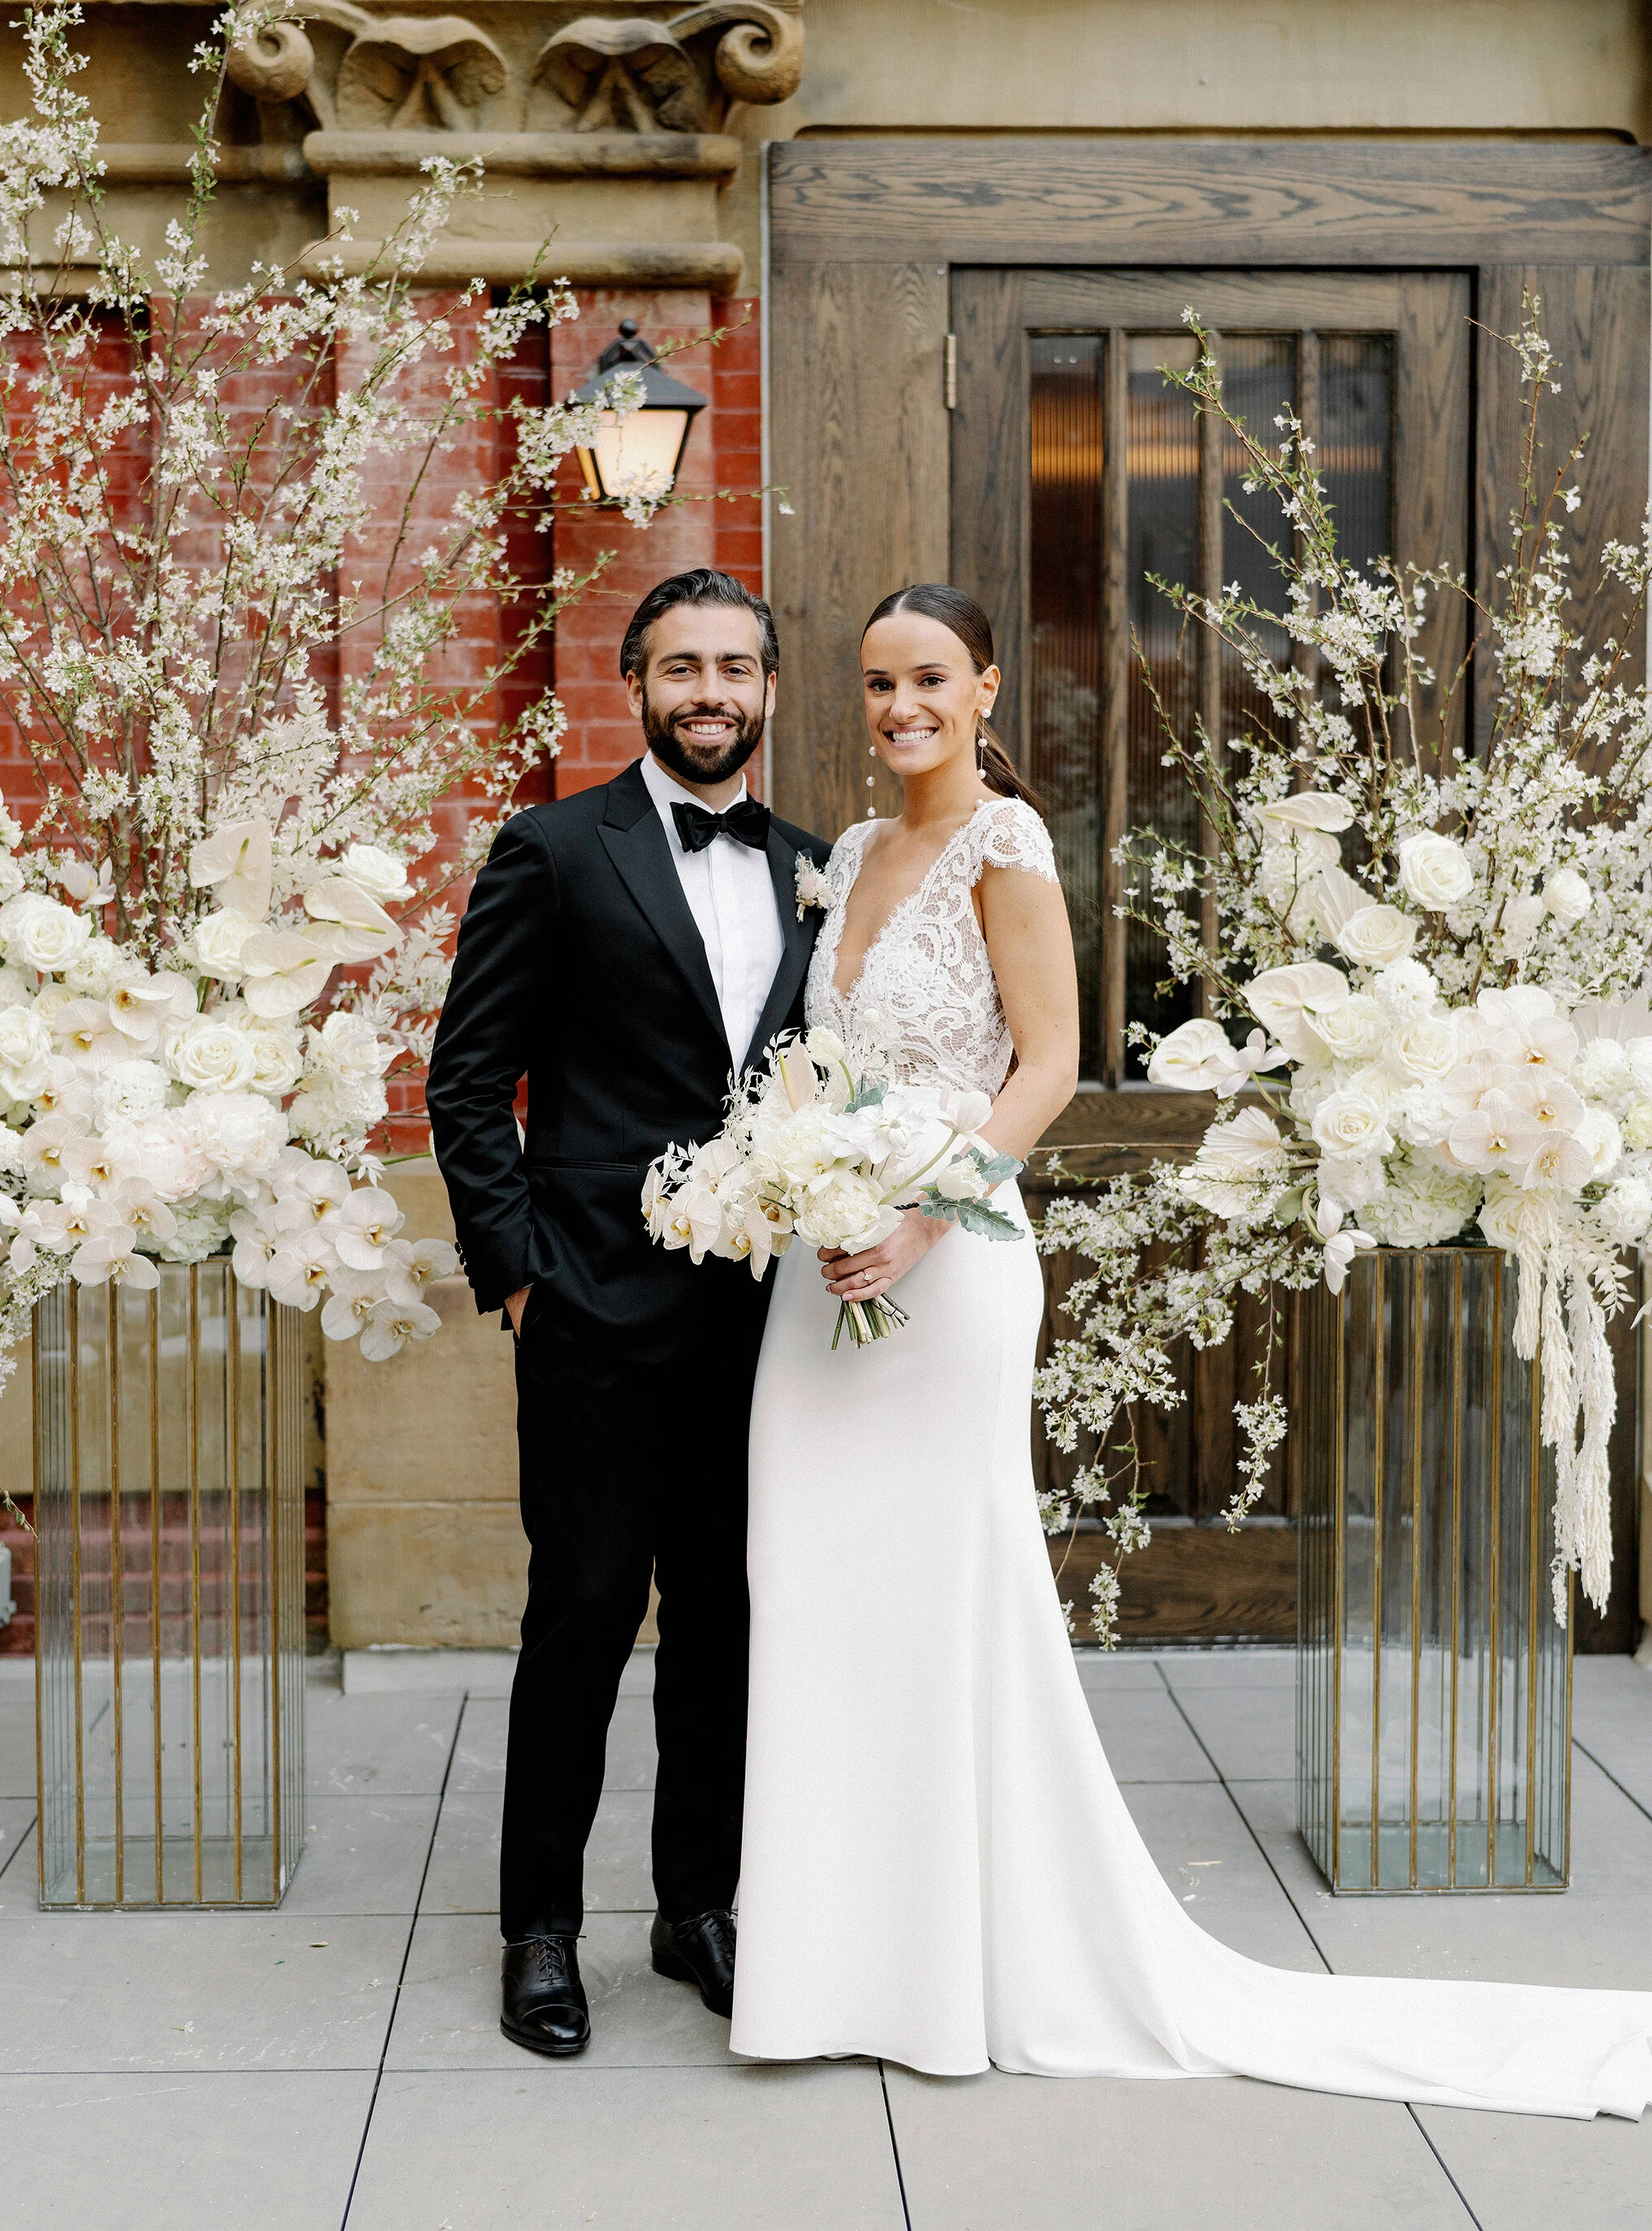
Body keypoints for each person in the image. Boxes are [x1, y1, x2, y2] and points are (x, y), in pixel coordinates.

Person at [728, 581, 1652, 2117]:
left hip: (941, 1274)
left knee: (943, 1599)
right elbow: (826, 1065)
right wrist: (800, 1178)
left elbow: (1048, 1066)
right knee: (819, 1596)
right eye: (881, 684)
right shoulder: (850, 855)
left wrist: (919, 1224)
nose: (902, 709)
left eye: (932, 680)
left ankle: (958, 1966)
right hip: (817, 1281)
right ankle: (834, 1962)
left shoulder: (1003, 848)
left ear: (989, 685)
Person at [426, 567, 828, 2059]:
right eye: (682, 668)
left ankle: (696, 1904)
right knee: (583, 1617)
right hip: (591, 1304)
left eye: (736, 667)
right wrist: (521, 1274)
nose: (710, 692)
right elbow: (467, 1080)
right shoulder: (551, 849)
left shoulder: (812, 865)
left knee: (725, 1622)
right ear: (636, 683)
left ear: (770, 688)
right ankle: (542, 1928)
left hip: (765, 1320)